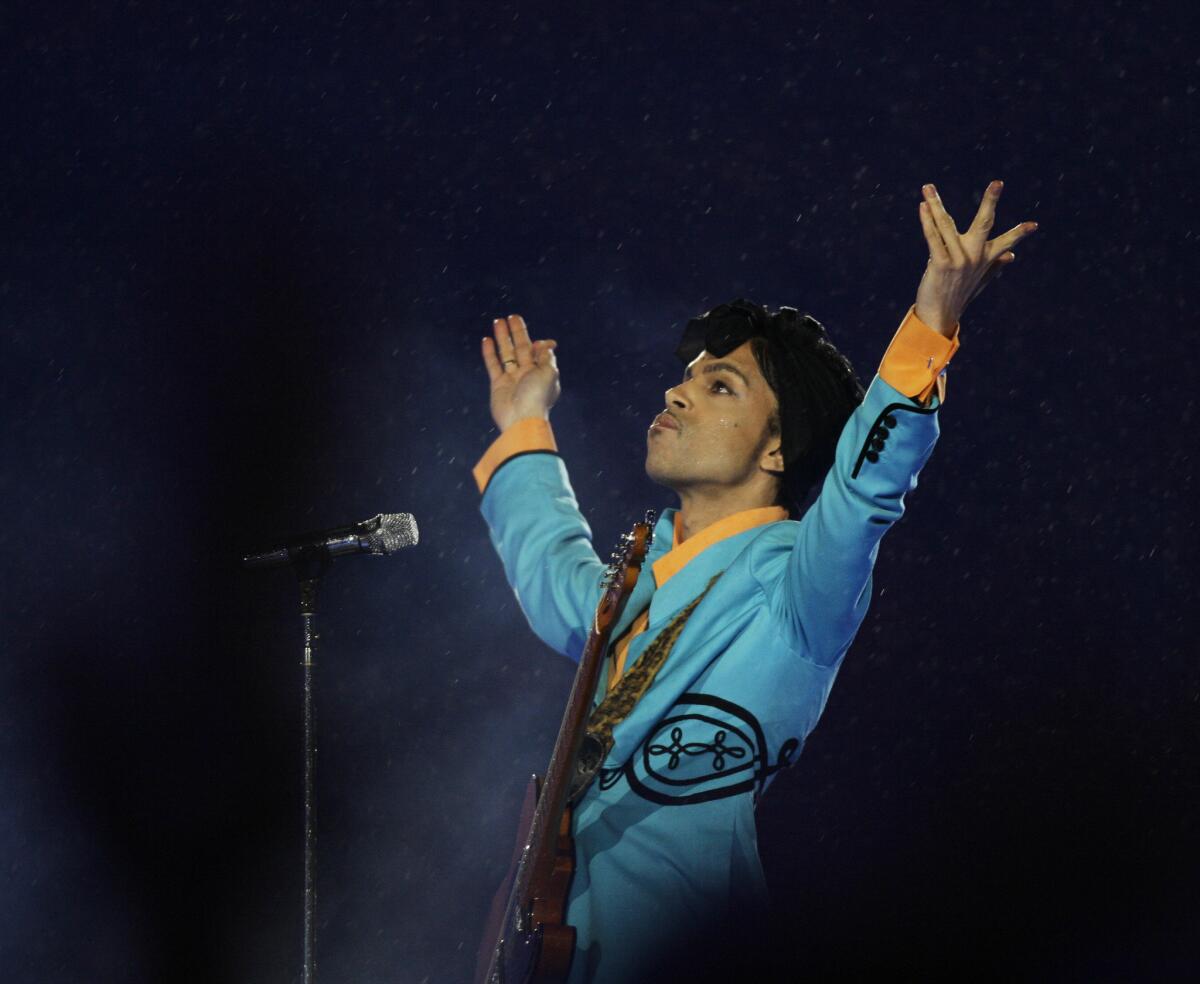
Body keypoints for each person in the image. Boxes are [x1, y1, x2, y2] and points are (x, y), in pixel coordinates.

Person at [471, 181, 1037, 983]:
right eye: (690, 378)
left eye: (719, 387)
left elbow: (862, 494)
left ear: (778, 449)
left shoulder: (797, 588)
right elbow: (555, 575)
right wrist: (525, 423)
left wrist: (932, 324)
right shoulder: (635, 577)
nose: (676, 392)